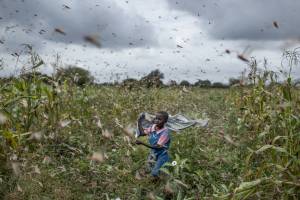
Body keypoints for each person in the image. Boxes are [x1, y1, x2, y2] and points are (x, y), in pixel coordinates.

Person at [135, 111, 171, 178]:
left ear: (165, 121)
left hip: (162, 154)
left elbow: (157, 146)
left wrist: (142, 143)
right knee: (148, 170)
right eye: (156, 118)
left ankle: (162, 185)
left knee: (155, 173)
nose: (157, 120)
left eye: (159, 119)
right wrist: (139, 121)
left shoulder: (165, 132)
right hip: (153, 153)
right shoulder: (153, 127)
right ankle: (152, 183)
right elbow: (142, 133)